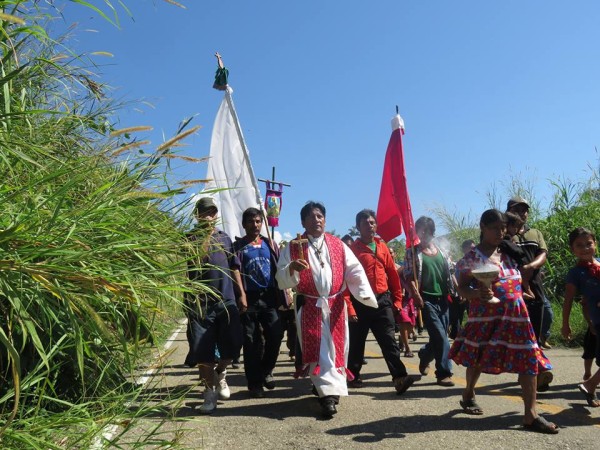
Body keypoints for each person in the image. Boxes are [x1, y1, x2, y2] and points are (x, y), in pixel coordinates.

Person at [449, 209, 557, 434]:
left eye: (503, 227)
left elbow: (527, 271)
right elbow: (461, 288)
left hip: (517, 319)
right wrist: (477, 294)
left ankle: (531, 415)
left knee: (528, 358)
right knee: (478, 359)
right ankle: (468, 392)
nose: (501, 232)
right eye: (495, 228)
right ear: (482, 227)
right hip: (485, 319)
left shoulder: (510, 253)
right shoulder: (470, 259)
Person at [276, 201, 377, 418]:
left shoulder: (338, 244)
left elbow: (354, 269)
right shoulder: (294, 247)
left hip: (336, 304)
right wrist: (292, 268)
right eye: (311, 217)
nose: (317, 220)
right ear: (303, 221)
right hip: (310, 305)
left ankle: (328, 389)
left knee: (337, 350)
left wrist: (365, 294)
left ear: (325, 220)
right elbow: (280, 277)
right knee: (320, 351)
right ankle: (328, 397)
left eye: (320, 216)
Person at [184, 197, 245, 414]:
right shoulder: (188, 239)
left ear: (216, 214)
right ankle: (209, 394)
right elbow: (182, 272)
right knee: (203, 352)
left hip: (226, 301)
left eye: (212, 212)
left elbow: (234, 267)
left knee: (233, 345)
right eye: (205, 212)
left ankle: (221, 372)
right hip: (200, 304)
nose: (209, 216)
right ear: (197, 215)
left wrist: (241, 294)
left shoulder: (225, 238)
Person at [346, 209, 415, 394]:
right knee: (357, 342)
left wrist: (398, 301)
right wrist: (349, 306)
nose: (369, 225)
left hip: (383, 300)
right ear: (358, 227)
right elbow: (346, 281)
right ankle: (352, 375)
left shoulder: (383, 247)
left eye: (372, 222)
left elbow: (392, 274)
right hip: (360, 301)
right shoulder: (352, 251)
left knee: (389, 341)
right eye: (365, 223)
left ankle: (400, 377)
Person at [233, 208, 285, 398]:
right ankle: (255, 383)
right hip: (250, 297)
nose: (255, 225)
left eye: (258, 221)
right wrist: (241, 295)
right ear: (244, 224)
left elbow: (280, 268)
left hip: (269, 296)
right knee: (251, 340)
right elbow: (235, 270)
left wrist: (284, 292)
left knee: (276, 334)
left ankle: (266, 370)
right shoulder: (238, 246)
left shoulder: (270, 244)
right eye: (251, 221)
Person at [404, 216, 456, 386]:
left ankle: (425, 355)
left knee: (439, 336)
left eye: (428, 230)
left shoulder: (441, 250)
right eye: (421, 230)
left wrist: (457, 289)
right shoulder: (413, 252)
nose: (424, 233)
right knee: (441, 337)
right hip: (426, 299)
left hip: (443, 298)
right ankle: (443, 372)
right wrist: (416, 296)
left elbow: (450, 272)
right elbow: (409, 276)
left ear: (433, 232)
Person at [506, 196, 554, 350]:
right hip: (512, 287)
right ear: (509, 211)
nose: (522, 213)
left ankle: (536, 360)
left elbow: (543, 254)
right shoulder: (503, 233)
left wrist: (529, 267)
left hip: (534, 285)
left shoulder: (535, 233)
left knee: (536, 326)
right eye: (517, 209)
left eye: (525, 210)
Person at [561, 227, 600, 408]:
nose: (585, 248)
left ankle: (590, 386)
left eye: (589, 244)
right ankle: (589, 384)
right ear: (572, 249)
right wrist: (565, 324)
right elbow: (568, 300)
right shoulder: (576, 273)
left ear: (596, 244)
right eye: (579, 245)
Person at [498, 212, 535, 300]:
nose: (516, 229)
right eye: (514, 226)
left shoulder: (509, 239)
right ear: (506, 226)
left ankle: (525, 291)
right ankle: (525, 292)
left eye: (517, 227)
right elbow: (516, 251)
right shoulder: (505, 239)